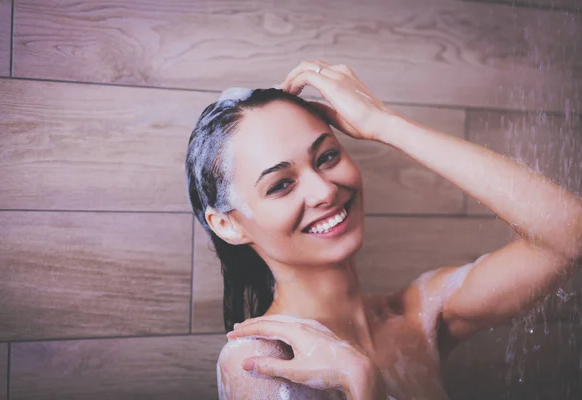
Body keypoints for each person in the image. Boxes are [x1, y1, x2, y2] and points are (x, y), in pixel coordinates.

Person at [185, 60, 582, 399]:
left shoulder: (418, 315)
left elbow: (569, 235)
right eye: (281, 184)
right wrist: (363, 384)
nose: (325, 189)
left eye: (327, 156)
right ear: (230, 225)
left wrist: (384, 123)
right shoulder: (263, 361)